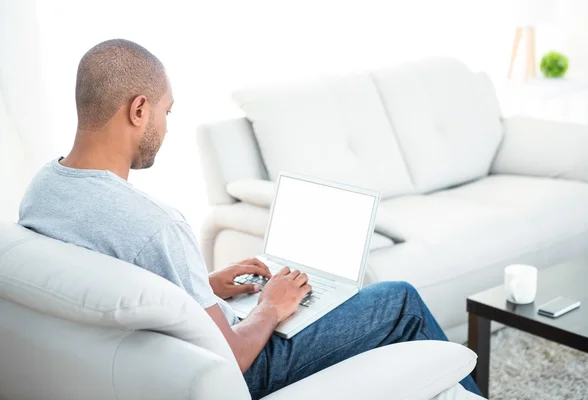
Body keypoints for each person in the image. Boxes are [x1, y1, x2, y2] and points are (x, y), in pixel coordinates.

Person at [18, 39, 480, 399]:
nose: (165, 127)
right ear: (139, 110)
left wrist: (205, 286)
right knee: (398, 301)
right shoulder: (157, 225)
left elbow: (118, 282)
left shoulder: (43, 189)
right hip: (239, 370)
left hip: (143, 363)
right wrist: (270, 307)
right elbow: (233, 357)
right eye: (166, 112)